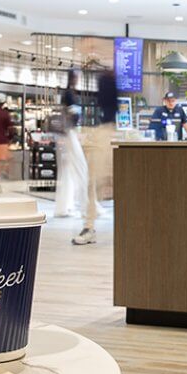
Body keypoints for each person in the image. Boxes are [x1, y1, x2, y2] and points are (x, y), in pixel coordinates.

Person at [73, 68, 118, 246]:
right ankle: (89, 227)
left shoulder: (105, 98)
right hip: (101, 135)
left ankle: (89, 227)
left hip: (102, 137)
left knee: (93, 183)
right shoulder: (104, 111)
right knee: (93, 184)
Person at [54, 70, 90, 220]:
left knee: (68, 170)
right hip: (69, 134)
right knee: (81, 168)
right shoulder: (69, 94)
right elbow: (73, 115)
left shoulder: (67, 93)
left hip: (67, 135)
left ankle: (66, 206)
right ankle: (84, 207)